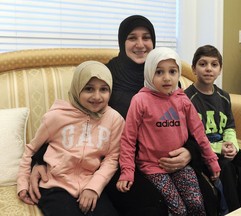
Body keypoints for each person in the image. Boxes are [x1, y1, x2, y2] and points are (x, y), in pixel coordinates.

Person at [28, 15, 219, 216]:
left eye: (146, 37)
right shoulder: (108, 75)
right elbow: (74, 117)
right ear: (122, 41)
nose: (140, 44)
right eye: (132, 38)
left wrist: (189, 152)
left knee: (206, 200)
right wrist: (39, 160)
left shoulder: (166, 78)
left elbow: (188, 126)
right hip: (119, 163)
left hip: (169, 159)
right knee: (154, 207)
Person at [116, 47, 221, 216]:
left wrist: (211, 160)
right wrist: (127, 171)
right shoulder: (140, 100)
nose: (167, 78)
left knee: (196, 204)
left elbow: (199, 133)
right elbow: (128, 139)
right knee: (178, 209)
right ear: (150, 73)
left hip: (181, 166)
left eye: (172, 72)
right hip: (152, 167)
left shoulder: (183, 100)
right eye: (159, 72)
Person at [17, 61, 125, 216]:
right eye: (89, 89)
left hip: (90, 183)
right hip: (54, 185)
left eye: (103, 89)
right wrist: (22, 183)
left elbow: (112, 157)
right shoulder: (56, 116)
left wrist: (94, 187)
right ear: (77, 87)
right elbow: (30, 150)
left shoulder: (115, 120)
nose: (96, 96)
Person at [184, 45, 241, 213]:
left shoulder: (224, 97)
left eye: (214, 64)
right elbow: (189, 138)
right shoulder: (186, 98)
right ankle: (233, 211)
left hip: (224, 146)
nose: (208, 69)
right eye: (203, 64)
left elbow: (230, 127)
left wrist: (232, 145)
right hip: (204, 150)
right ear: (193, 69)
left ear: (220, 70)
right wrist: (219, 148)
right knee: (226, 169)